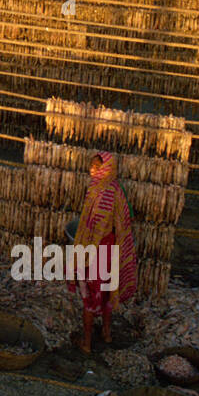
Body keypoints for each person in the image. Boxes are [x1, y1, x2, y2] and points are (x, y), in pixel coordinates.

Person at [67, 151, 138, 353]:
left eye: (96, 167)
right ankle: (107, 333)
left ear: (105, 168)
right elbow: (126, 218)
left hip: (96, 251)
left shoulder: (101, 192)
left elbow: (92, 225)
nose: (91, 170)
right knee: (107, 293)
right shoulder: (116, 189)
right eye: (91, 166)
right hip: (110, 249)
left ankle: (87, 343)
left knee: (89, 296)